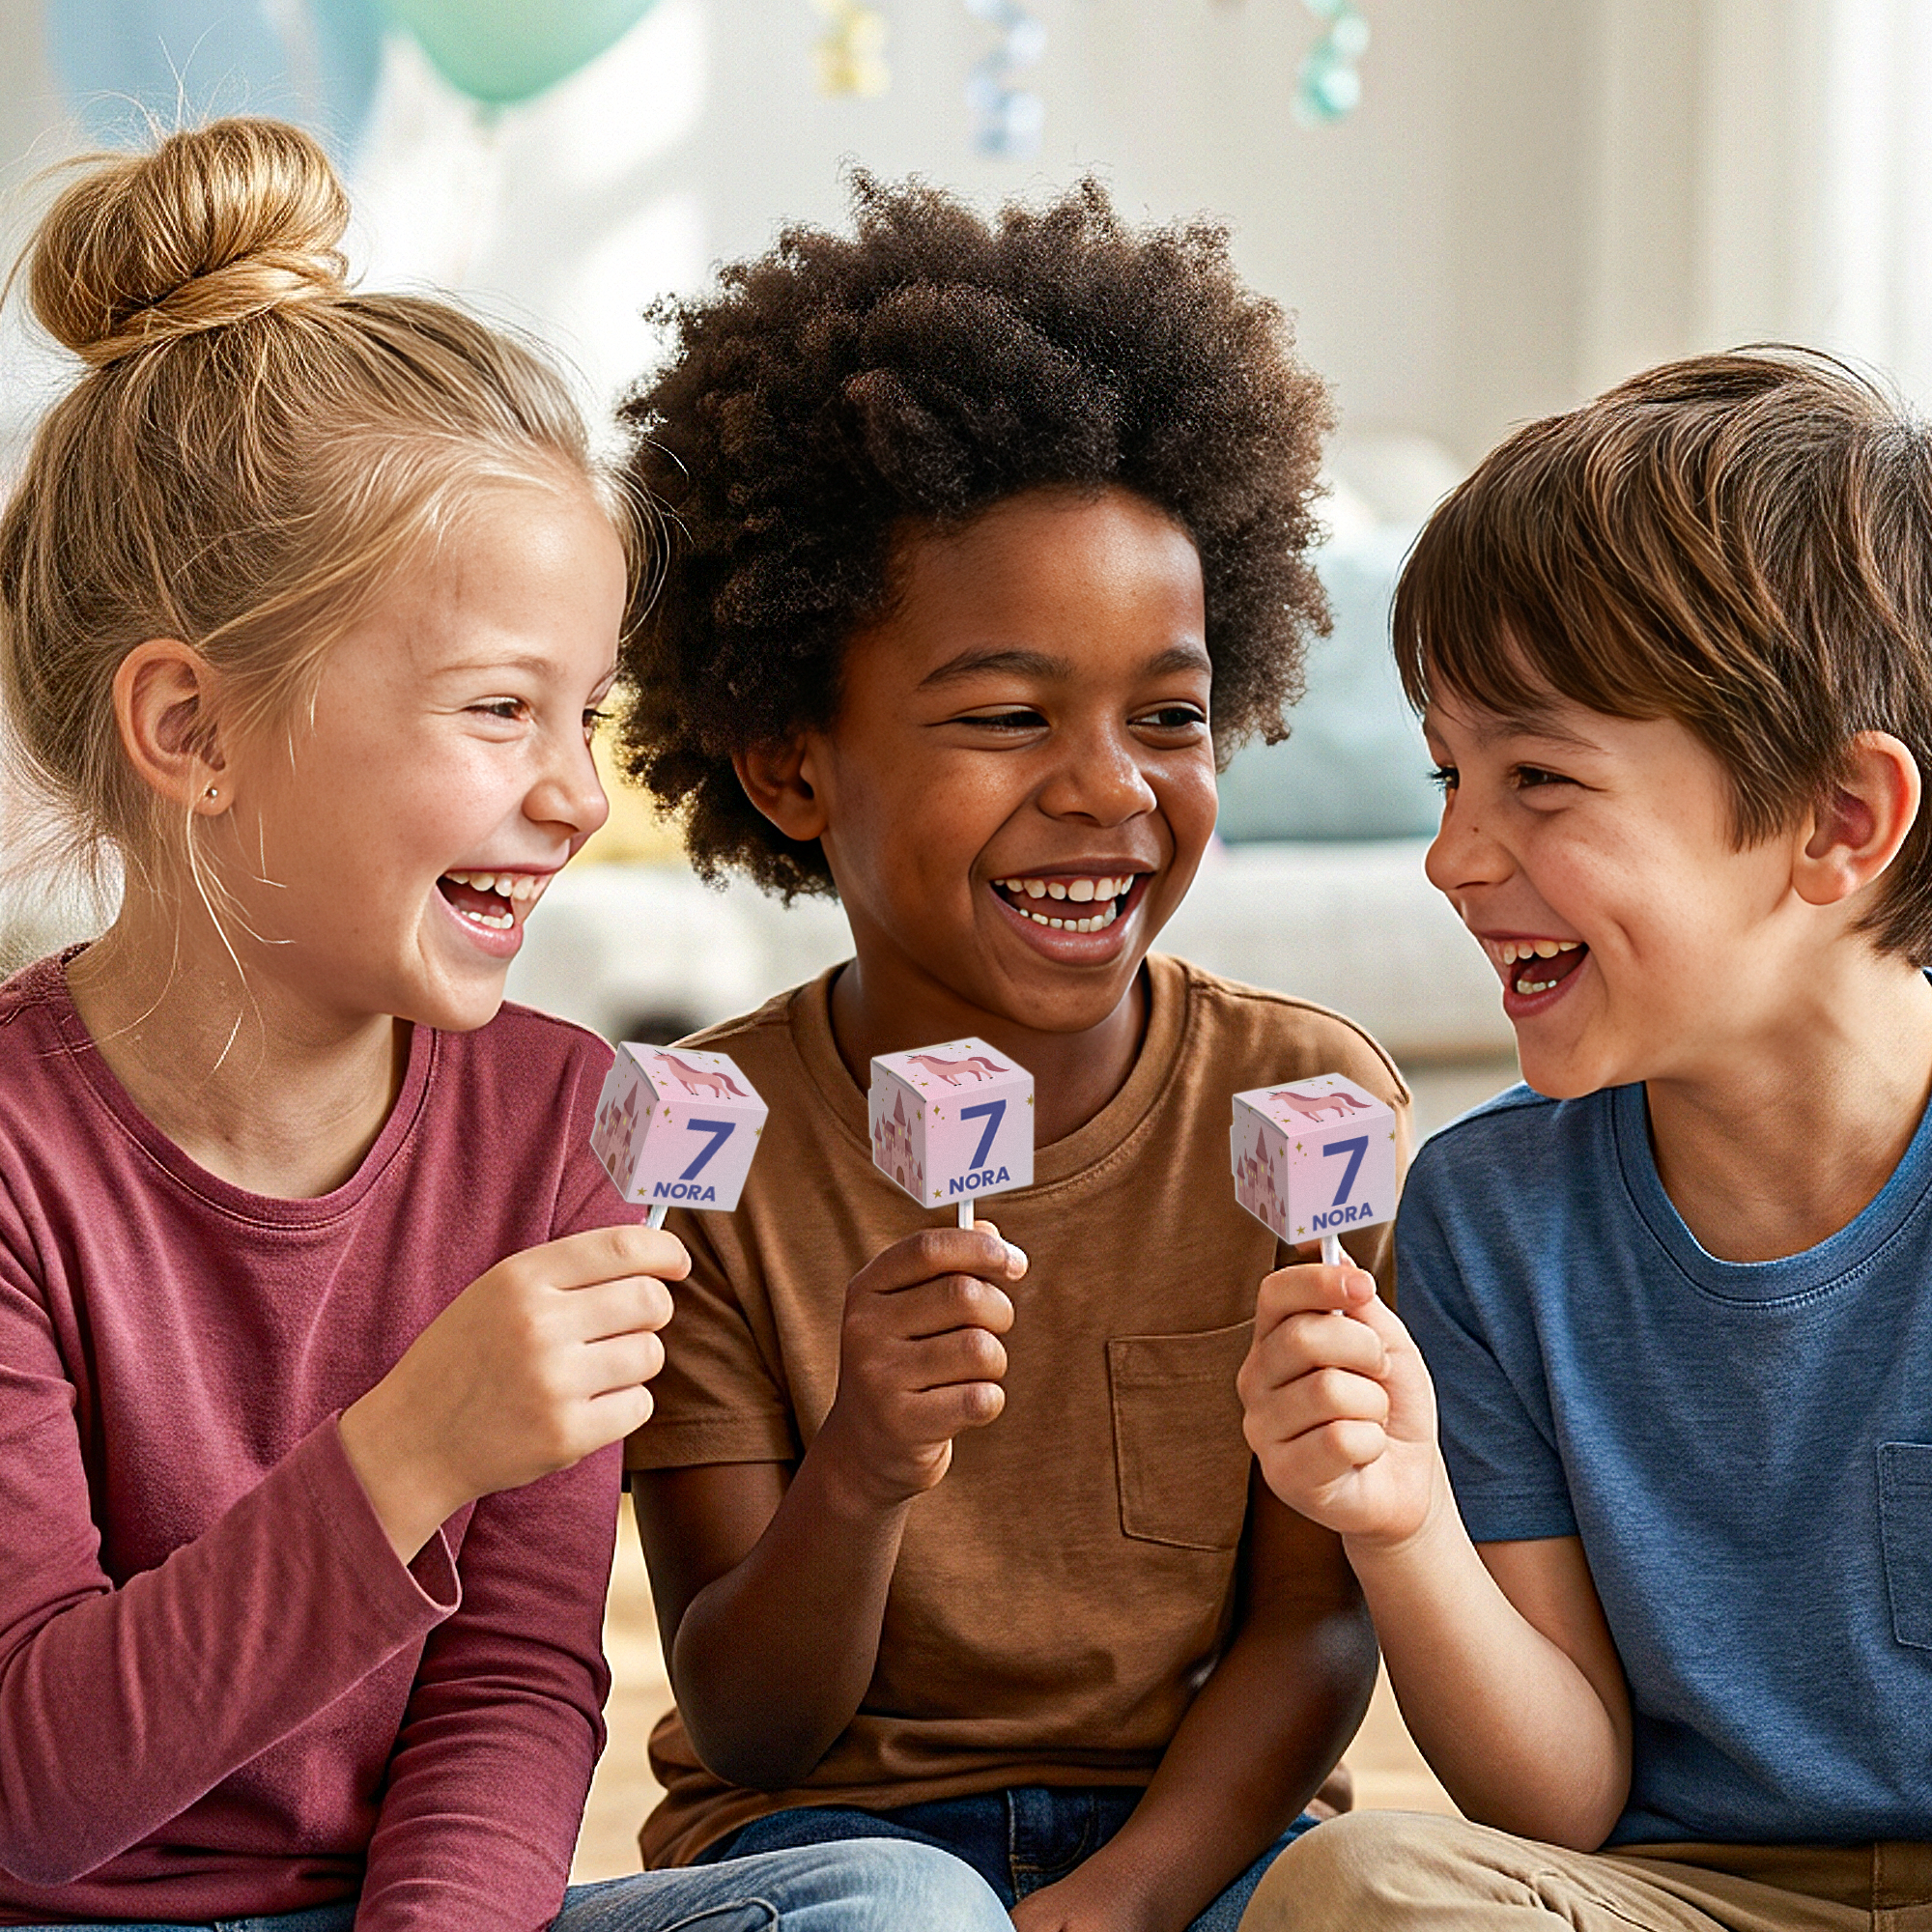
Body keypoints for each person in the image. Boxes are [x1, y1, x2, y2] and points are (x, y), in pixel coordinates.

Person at [0, 119, 1009, 1932]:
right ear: (190, 730)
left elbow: (518, 1684)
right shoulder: (15, 1155)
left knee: (896, 1907)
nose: (570, 793)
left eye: (588, 714)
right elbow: (34, 1791)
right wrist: (414, 1448)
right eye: (495, 710)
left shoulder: (564, 1124)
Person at [614, 175, 1407, 1932]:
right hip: (837, 1855)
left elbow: (1314, 1625)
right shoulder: (712, 1154)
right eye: (1007, 716)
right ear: (789, 764)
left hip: (1199, 1840)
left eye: (1173, 714)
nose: (1112, 788)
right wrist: (868, 1469)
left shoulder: (1303, 1102)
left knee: (1396, 1893)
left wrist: (1122, 1904)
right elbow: (747, 1710)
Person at [1237, 348, 1932, 1931]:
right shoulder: (1488, 1220)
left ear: (1838, 821)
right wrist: (1404, 1515)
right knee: (1354, 1888)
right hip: (1691, 1897)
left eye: (1538, 777)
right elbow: (1561, 1800)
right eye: (1450, 774)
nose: (1451, 854)